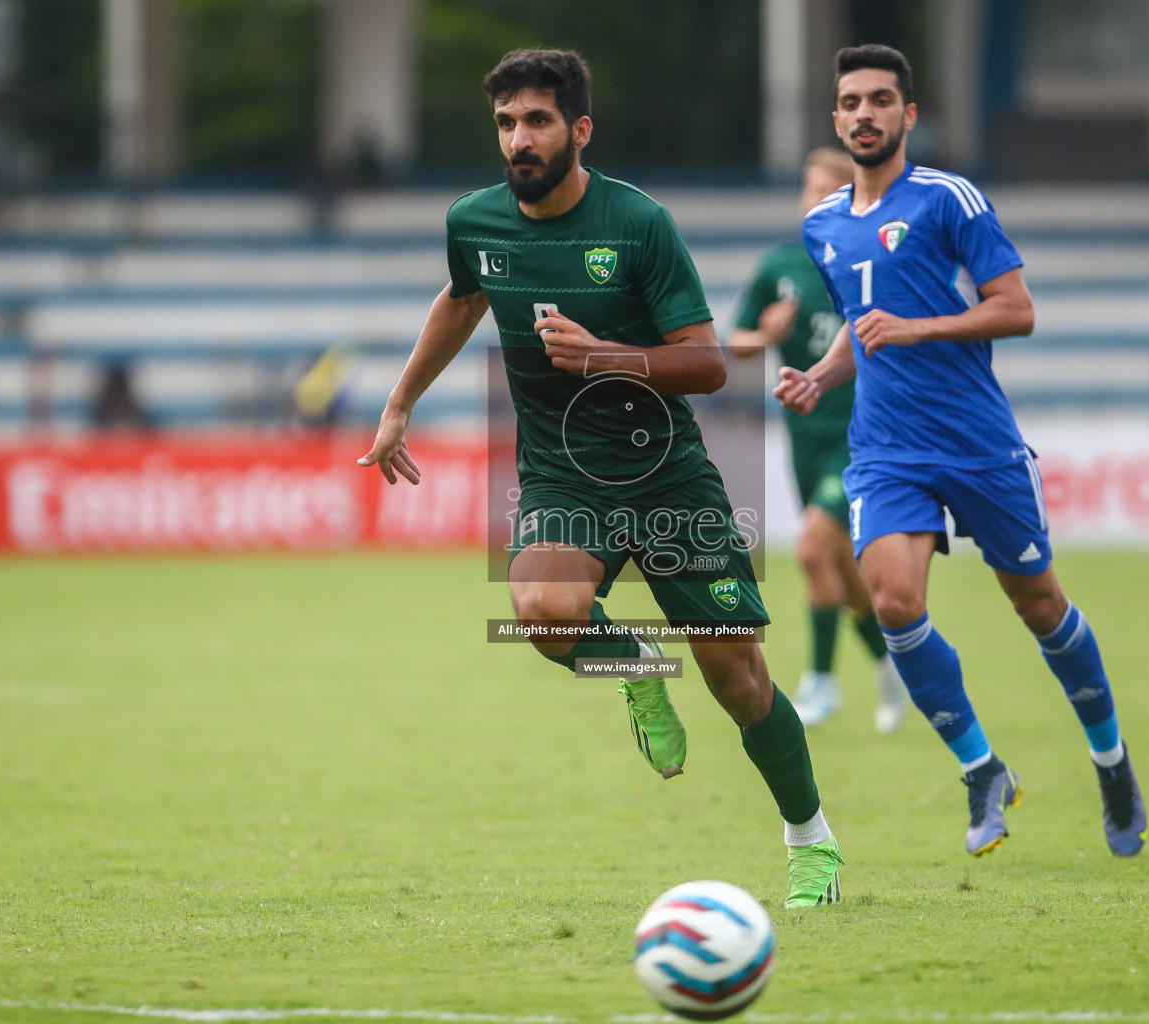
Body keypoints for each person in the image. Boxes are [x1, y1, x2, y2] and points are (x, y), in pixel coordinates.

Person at [359, 49, 842, 905]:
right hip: (562, 475)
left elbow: (708, 365)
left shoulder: (639, 223)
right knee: (542, 614)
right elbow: (462, 296)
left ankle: (811, 839)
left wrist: (604, 357)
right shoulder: (474, 220)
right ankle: (639, 669)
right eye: (506, 122)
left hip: (669, 480)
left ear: (578, 130)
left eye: (537, 120)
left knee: (738, 679)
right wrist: (399, 403)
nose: (519, 138)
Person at [775, 44, 1147, 858]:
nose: (864, 114)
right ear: (835, 119)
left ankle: (1111, 760)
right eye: (850, 102)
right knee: (897, 603)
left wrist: (919, 329)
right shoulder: (821, 223)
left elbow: (1016, 310)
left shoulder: (951, 199)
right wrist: (823, 375)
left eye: (880, 100)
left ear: (908, 116)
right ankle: (981, 769)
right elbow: (861, 323)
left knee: (1040, 609)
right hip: (884, 449)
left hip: (977, 444)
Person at [729, 147, 908, 733]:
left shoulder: (866, 264)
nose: (814, 199)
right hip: (804, 439)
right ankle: (889, 665)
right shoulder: (778, 267)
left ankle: (822, 684)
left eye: (828, 190)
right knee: (839, 567)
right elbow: (734, 347)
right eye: (809, 188)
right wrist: (765, 332)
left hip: (863, 437)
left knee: (809, 548)